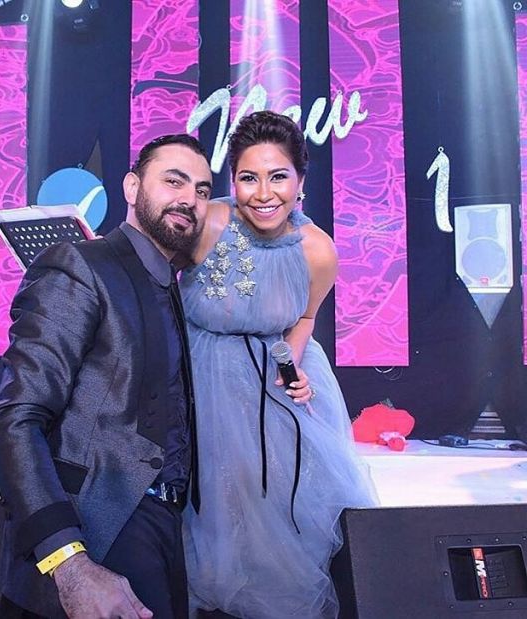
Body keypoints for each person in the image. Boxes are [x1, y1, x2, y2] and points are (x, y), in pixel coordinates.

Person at [0, 134, 213, 619]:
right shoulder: (80, 266)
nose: (189, 199)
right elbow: (14, 421)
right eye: (173, 181)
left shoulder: (170, 285)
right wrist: (69, 562)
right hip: (92, 530)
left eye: (202, 190)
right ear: (131, 187)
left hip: (162, 527)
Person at [179, 111, 377, 619]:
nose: (264, 193)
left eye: (278, 176)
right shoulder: (206, 223)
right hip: (199, 375)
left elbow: (306, 317)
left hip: (274, 378)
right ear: (232, 181)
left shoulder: (319, 251)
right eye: (249, 177)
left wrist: (295, 369)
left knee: (274, 505)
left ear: (301, 181)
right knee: (211, 501)